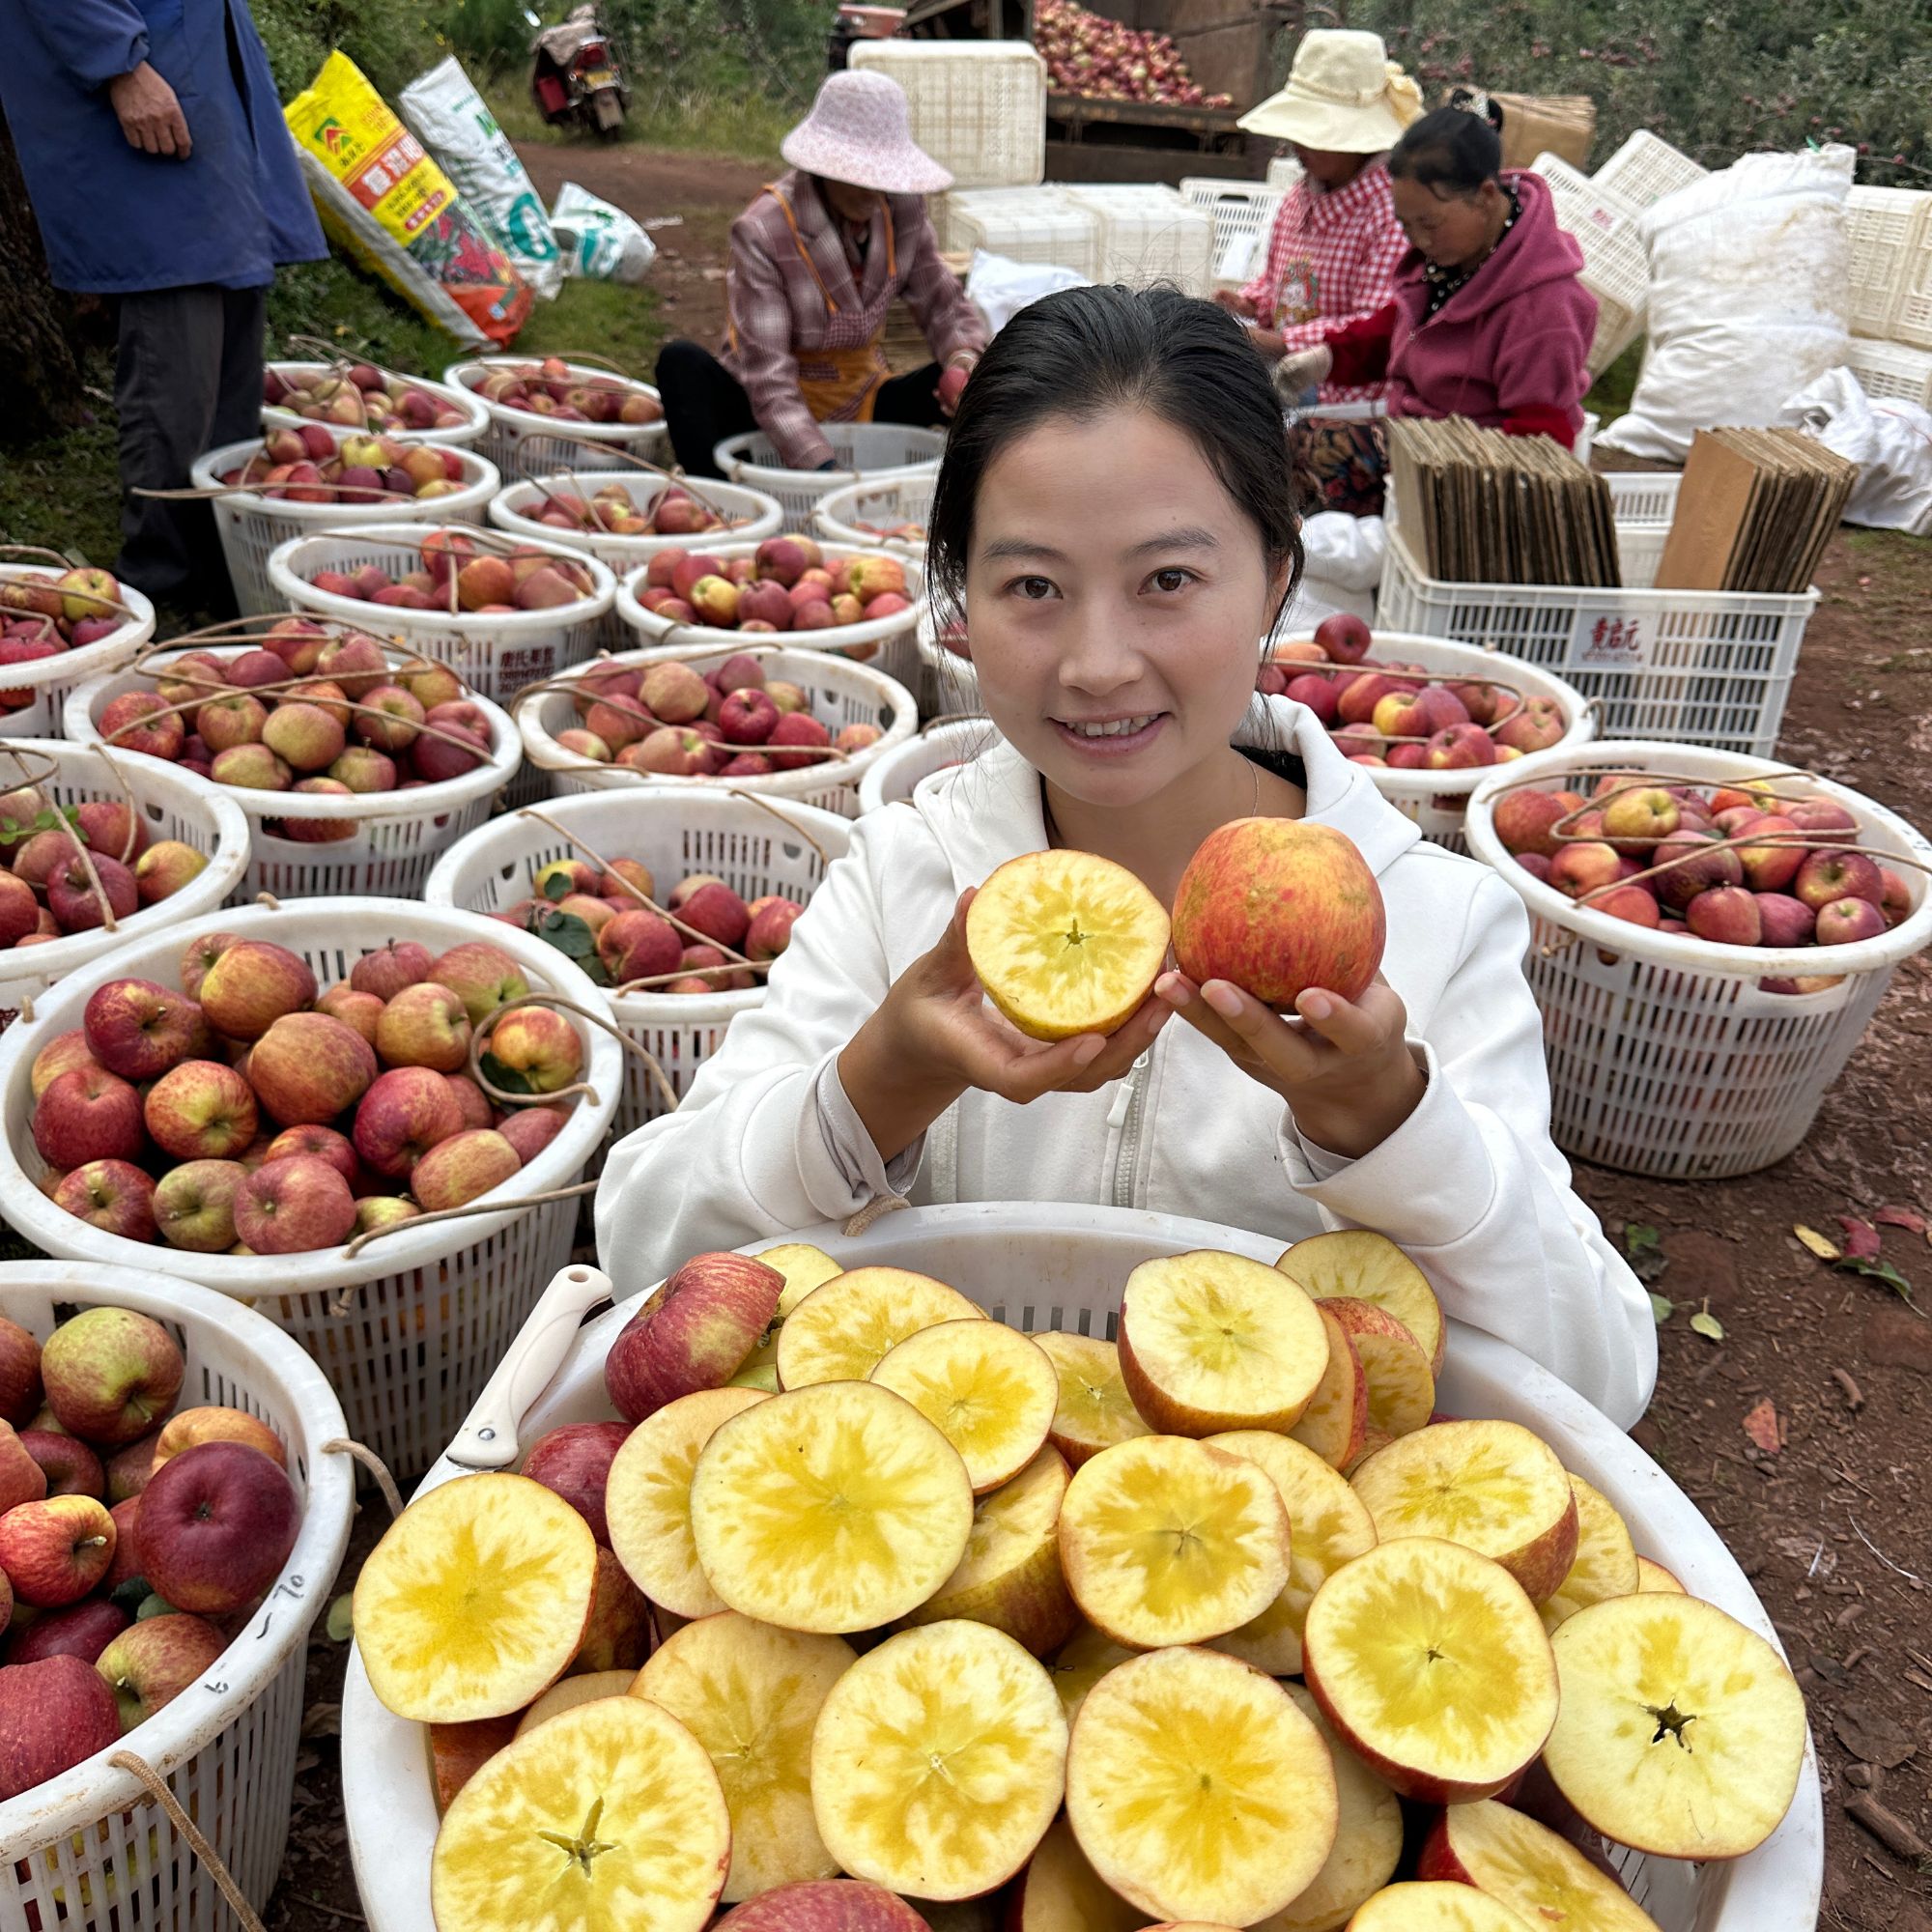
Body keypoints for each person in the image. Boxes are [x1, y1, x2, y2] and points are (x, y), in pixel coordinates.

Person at [597, 285, 1656, 1427]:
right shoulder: (909, 876)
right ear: (960, 603)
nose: (1097, 664)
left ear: (1274, 583)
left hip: (1248, 1537)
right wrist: (884, 1076)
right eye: (1032, 588)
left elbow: (1597, 1370)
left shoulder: (1433, 923)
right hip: (942, 1498)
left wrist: (1390, 1125)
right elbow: (647, 1238)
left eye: (1167, 581)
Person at [0, 0, 326, 612]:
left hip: (200, 69)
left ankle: (223, 562)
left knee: (230, 343)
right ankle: (162, 581)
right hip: (139, 73)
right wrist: (119, 64)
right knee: (177, 343)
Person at [655, 71, 987, 479]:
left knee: (979, 385)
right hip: (763, 408)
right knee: (681, 365)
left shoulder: (902, 211)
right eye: (858, 177)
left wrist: (963, 360)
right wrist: (823, 469)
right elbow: (768, 375)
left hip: (859, 395)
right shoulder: (765, 230)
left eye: (881, 178)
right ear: (824, 168)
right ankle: (722, 503)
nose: (872, 192)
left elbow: (943, 306)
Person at [1279, 106, 1597, 449]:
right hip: (1410, 439)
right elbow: (1405, 331)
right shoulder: (1449, 261)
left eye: (1429, 224)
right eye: (1406, 224)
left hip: (1472, 467)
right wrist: (1327, 358)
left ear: (1486, 197)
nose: (1418, 240)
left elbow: (1540, 437)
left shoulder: (1543, 307)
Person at [1222, 29, 1418, 403]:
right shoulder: (1300, 197)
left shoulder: (1391, 212)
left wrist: (1281, 343)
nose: (1298, 146)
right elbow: (1280, 279)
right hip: (1282, 367)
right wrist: (1250, 303)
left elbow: (1374, 327)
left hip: (1342, 387)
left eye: (1313, 135)